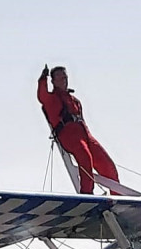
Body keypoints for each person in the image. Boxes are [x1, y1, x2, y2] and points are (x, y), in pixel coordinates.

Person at [37, 64, 123, 195]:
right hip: (69, 135)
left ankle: (118, 197)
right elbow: (41, 95)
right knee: (85, 158)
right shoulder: (51, 99)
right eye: (59, 78)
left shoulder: (75, 101)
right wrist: (43, 78)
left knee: (107, 165)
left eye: (65, 77)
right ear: (53, 81)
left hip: (85, 134)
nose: (63, 80)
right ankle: (87, 195)